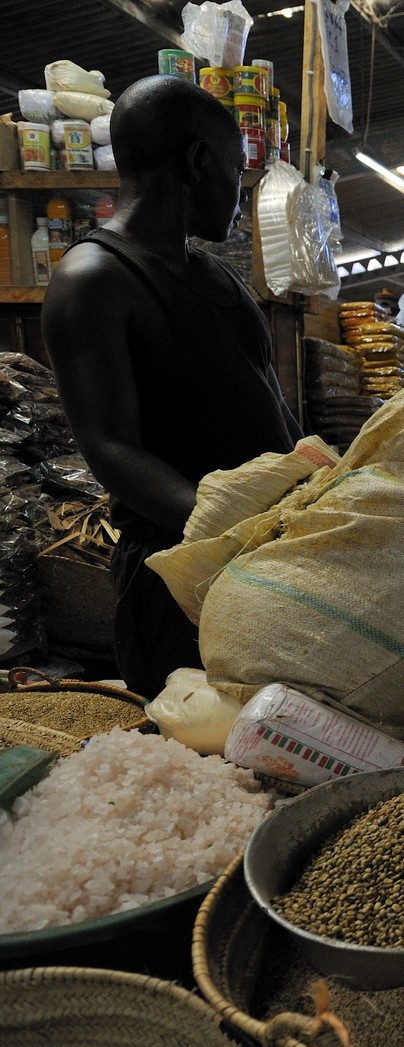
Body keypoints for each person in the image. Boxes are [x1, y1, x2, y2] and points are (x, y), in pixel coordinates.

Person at [42, 76, 301, 697]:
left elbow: (271, 402)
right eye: (237, 172)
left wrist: (318, 486)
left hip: (266, 556)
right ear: (198, 161)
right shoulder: (94, 279)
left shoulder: (217, 277)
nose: (239, 195)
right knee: (202, 744)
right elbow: (110, 448)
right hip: (177, 572)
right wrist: (229, 528)